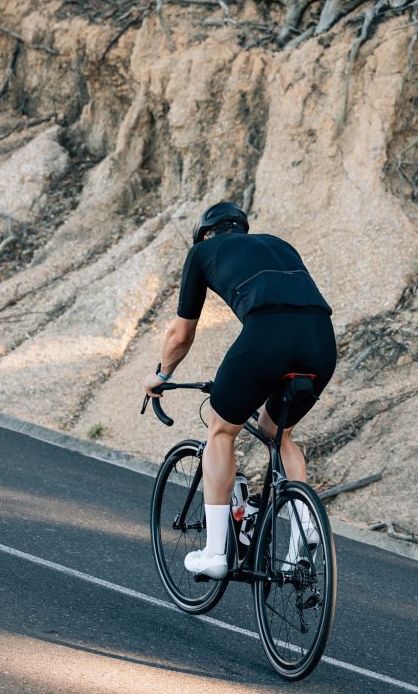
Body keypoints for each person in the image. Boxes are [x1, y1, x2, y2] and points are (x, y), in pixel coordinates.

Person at [143, 201, 336, 578]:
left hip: (267, 336)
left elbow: (181, 334)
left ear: (205, 234)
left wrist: (161, 375)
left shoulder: (201, 253)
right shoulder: (280, 244)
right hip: (321, 340)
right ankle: (304, 525)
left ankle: (216, 553)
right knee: (277, 433)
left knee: (220, 430)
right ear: (242, 229)